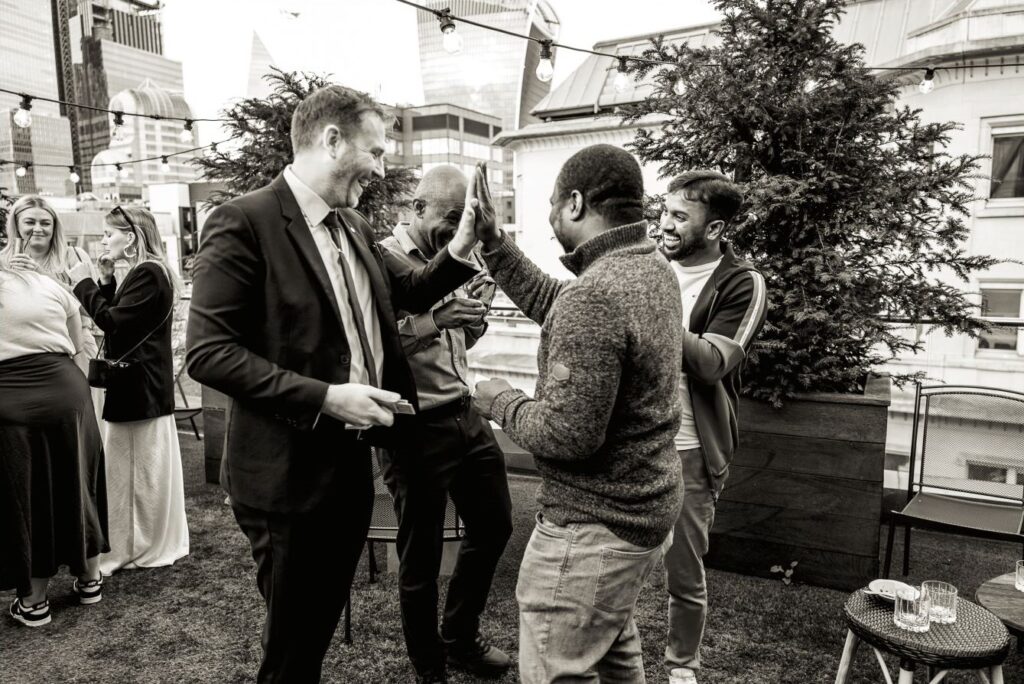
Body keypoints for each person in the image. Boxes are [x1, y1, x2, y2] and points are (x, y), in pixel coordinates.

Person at [186, 85, 481, 684]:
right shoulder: (243, 221)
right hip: (285, 477)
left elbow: (410, 289)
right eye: (373, 152)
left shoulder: (351, 223)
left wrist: (464, 242)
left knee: (313, 635)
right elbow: (209, 354)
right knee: (293, 649)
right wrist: (324, 396)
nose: (379, 167)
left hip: (351, 464)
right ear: (331, 140)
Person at [470, 145, 684, 683]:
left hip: (592, 530)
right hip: (643, 512)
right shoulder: (649, 266)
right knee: (613, 657)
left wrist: (499, 400)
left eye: (550, 205)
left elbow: (567, 436)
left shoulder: (597, 293)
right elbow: (559, 303)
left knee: (557, 670)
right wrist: (495, 246)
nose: (548, 218)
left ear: (574, 202)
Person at [379, 165, 512, 684]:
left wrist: (471, 320)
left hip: (465, 414)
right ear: (417, 208)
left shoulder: (463, 257)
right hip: (413, 428)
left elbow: (457, 345)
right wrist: (438, 318)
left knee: (496, 524)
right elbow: (378, 341)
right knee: (421, 555)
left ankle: (459, 638)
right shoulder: (384, 258)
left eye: (467, 219)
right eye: (452, 218)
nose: (460, 229)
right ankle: (429, 667)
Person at [656, 171, 767, 684]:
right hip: (635, 442)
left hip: (690, 450)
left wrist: (654, 311)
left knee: (684, 570)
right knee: (614, 559)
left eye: (680, 216)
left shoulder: (741, 282)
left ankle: (682, 666)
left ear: (716, 226)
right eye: (664, 211)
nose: (665, 224)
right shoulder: (652, 266)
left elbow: (710, 364)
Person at [66, 206, 189, 577]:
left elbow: (112, 322)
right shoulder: (146, 272)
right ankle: (142, 540)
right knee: (136, 468)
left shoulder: (149, 273)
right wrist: (105, 281)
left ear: (131, 237)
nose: (104, 240)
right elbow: (123, 316)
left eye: (109, 233)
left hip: (139, 389)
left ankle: (134, 545)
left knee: (133, 472)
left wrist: (83, 282)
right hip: (143, 386)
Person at [0, 252, 108, 626]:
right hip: (66, 390)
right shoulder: (48, 284)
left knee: (24, 493)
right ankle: (90, 580)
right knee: (78, 481)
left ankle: (34, 602)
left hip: (10, 396)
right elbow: (78, 344)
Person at [5, 195, 105, 373]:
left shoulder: (74, 257)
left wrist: (41, 274)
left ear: (54, 227)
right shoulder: (3, 262)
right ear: (16, 225)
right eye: (29, 222)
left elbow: (92, 310)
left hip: (77, 348)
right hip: (21, 353)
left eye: (45, 223)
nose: (38, 229)